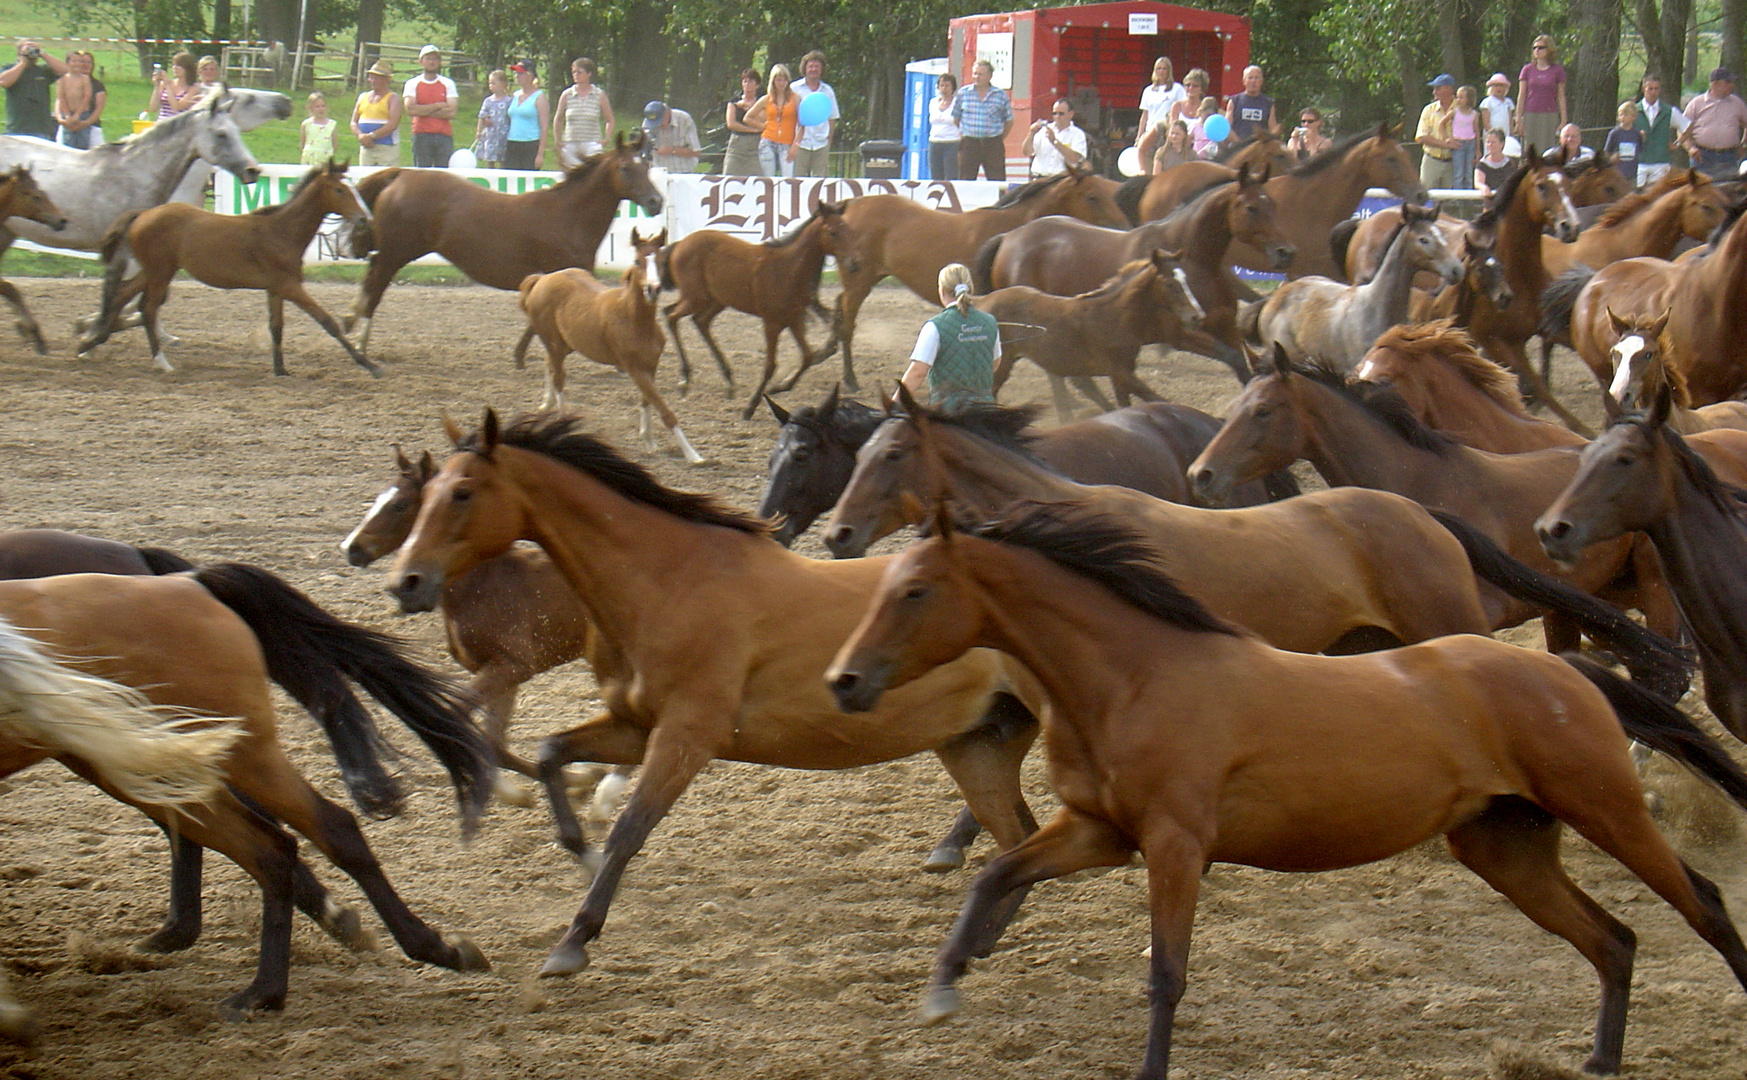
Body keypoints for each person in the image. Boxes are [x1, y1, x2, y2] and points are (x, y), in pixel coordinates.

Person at [900, 263, 1001, 413]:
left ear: (941, 291)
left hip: (948, 411)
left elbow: (917, 373)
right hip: (985, 410)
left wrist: (896, 402)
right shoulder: (990, 322)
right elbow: (994, 364)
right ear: (970, 289)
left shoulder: (934, 326)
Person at [1136, 67, 1211, 172]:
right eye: (1188, 85)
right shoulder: (1177, 106)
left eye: (1195, 86)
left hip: (1198, 153)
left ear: (1202, 89)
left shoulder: (1206, 107)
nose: (1190, 88)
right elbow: (1173, 128)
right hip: (1174, 152)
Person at [1682, 67, 1747, 179]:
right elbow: (1682, 128)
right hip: (1702, 156)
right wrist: (1690, 148)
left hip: (1728, 156)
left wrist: (1744, 144)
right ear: (1715, 84)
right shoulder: (1697, 103)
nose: (1731, 85)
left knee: (1727, 191)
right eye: (1727, 82)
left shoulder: (1737, 103)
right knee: (1701, 192)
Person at [953, 59, 1013, 181]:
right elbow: (956, 117)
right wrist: (965, 133)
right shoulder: (963, 93)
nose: (976, 77)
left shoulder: (1000, 95)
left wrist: (999, 138)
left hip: (992, 144)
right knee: (965, 179)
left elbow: (1009, 121)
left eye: (980, 74)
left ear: (989, 76)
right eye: (975, 73)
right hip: (969, 143)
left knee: (997, 180)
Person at [552, 57, 614, 168]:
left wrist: (606, 139)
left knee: (593, 172)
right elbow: (559, 118)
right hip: (570, 141)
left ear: (589, 74)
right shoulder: (567, 94)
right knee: (572, 174)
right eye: (574, 72)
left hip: (592, 142)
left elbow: (609, 119)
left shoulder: (599, 95)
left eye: (579, 72)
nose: (576, 75)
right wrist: (558, 139)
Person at [404, 45, 458, 168]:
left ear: (439, 62)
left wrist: (422, 110)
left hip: (444, 135)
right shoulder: (412, 83)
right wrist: (438, 105)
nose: (431, 62)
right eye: (428, 59)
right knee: (422, 173)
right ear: (421, 61)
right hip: (421, 134)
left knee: (443, 175)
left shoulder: (448, 84)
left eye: (435, 59)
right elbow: (410, 109)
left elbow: (451, 112)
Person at [1634, 72, 1689, 188]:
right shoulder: (1634, 111)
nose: (1653, 92)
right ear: (1644, 88)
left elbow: (1688, 127)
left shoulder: (1668, 111)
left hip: (1660, 163)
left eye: (1656, 89)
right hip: (1639, 162)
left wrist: (1677, 143)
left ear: (1660, 90)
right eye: (1650, 89)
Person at [1516, 34, 1567, 154]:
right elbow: (1522, 95)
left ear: (1549, 49)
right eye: (1534, 48)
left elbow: (1561, 96)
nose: (1537, 50)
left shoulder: (1557, 70)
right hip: (1530, 113)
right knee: (1530, 150)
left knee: (1549, 149)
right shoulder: (1527, 70)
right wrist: (1518, 119)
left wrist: (1564, 119)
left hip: (1550, 114)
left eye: (1541, 47)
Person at [791, 51, 837, 177]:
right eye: (810, 66)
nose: (813, 69)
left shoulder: (828, 91)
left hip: (820, 143)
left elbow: (832, 118)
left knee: (820, 182)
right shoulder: (794, 88)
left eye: (817, 66)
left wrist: (829, 141)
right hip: (799, 143)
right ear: (805, 69)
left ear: (821, 69)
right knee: (797, 181)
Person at [750, 63, 798, 178]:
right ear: (773, 81)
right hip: (768, 141)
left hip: (787, 143)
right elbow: (748, 117)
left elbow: (802, 124)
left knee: (787, 178)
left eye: (784, 80)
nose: (782, 83)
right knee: (769, 179)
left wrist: (796, 145)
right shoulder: (767, 99)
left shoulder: (795, 98)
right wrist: (762, 126)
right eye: (778, 80)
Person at [351, 59, 403, 166]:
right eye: (371, 77)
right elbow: (353, 122)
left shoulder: (393, 98)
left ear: (386, 79)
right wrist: (361, 136)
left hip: (386, 148)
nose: (372, 80)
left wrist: (372, 136)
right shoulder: (363, 97)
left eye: (376, 78)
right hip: (367, 148)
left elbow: (393, 124)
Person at [53, 49, 104, 149]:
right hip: (67, 115)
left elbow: (87, 97)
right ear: (67, 63)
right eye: (74, 61)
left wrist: (78, 115)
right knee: (67, 145)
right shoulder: (62, 80)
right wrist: (66, 116)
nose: (79, 64)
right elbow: (60, 98)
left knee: (82, 145)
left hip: (83, 116)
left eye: (80, 61)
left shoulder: (86, 80)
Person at [502, 60, 548, 170]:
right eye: (516, 73)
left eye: (521, 74)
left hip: (531, 144)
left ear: (530, 75)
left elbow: (544, 127)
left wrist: (540, 154)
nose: (517, 76)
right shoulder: (515, 95)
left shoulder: (539, 97)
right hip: (513, 142)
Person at [1416, 74, 1458, 190]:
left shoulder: (1461, 108)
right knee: (1425, 195)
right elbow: (1421, 137)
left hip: (1453, 162)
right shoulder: (1428, 110)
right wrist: (1447, 145)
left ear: (1449, 89)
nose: (1434, 92)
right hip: (1431, 161)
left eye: (1438, 88)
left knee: (1450, 199)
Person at [1023, 99, 1086, 176]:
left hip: (1061, 181)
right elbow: (1027, 152)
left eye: (1061, 114)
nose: (1057, 116)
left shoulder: (1078, 134)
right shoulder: (1044, 130)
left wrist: (1054, 141)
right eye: (1054, 113)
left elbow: (1074, 159)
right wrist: (1031, 133)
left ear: (1071, 114)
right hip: (1040, 178)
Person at [722, 67, 764, 177]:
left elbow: (764, 119)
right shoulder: (734, 101)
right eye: (745, 81)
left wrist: (750, 108)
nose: (747, 84)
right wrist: (752, 129)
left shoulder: (762, 101)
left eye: (751, 81)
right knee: (729, 175)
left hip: (756, 146)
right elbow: (731, 124)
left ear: (757, 85)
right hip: (737, 144)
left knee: (757, 178)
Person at [643, 101, 701, 173]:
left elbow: (696, 152)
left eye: (660, 122)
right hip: (658, 172)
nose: (658, 126)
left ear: (667, 114)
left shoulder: (684, 119)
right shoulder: (648, 122)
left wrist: (671, 150)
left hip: (683, 173)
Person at [1224, 65, 1278, 142]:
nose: (1253, 81)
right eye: (1250, 78)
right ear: (1244, 81)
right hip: (1238, 146)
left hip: (1259, 147)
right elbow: (1226, 127)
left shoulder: (1268, 103)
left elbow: (1273, 129)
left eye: (1256, 78)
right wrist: (1238, 142)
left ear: (1261, 81)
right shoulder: (1234, 101)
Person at [1137, 56, 1185, 135]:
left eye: (1164, 69)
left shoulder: (1177, 88)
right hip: (1150, 131)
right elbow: (1145, 115)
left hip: (1169, 131)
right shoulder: (1148, 90)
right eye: (1159, 68)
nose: (1161, 71)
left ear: (1169, 71)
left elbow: (1183, 109)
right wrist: (1139, 136)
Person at [473, 70, 511, 168]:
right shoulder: (488, 101)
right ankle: (490, 171)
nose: (491, 85)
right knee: (490, 157)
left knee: (502, 157)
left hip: (503, 134)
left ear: (503, 84)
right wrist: (479, 131)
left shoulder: (508, 101)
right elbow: (481, 116)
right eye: (490, 83)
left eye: (493, 83)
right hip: (491, 134)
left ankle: (503, 173)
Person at [927, 72, 960, 181]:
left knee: (951, 175)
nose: (944, 88)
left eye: (947, 86)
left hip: (951, 143)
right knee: (936, 176)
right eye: (941, 85)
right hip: (934, 142)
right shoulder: (933, 102)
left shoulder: (957, 103)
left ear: (952, 87)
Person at [150, 51, 201, 120]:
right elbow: (153, 108)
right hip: (162, 125)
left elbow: (176, 107)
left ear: (188, 69)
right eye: (173, 65)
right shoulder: (164, 84)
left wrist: (167, 86)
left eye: (179, 65)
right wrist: (156, 86)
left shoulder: (193, 89)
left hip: (179, 127)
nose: (175, 68)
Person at [1603, 100, 1644, 184]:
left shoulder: (1636, 134)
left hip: (1632, 176)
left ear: (1633, 117)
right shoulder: (1614, 133)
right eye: (1621, 115)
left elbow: (1640, 151)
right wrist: (1611, 160)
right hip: (1616, 176)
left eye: (1625, 115)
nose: (1622, 117)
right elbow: (1607, 153)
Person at [1451, 86, 1480, 189]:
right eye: (1457, 97)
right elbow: (1442, 124)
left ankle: (1469, 199)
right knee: (1458, 174)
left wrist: (1478, 149)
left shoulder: (1474, 114)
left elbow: (1476, 131)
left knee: (1469, 173)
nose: (1458, 100)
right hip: (1459, 144)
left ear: (1469, 99)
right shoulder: (1454, 112)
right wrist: (1449, 138)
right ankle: (1458, 199)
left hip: (1470, 143)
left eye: (1461, 97)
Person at [1474, 128, 1515, 201]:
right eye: (1488, 142)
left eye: (1493, 142)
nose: (1490, 145)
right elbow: (1478, 182)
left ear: (1502, 144)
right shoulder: (1482, 164)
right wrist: (1483, 187)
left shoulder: (1509, 164)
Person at [299, 91, 337, 166]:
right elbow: (302, 144)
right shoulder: (306, 124)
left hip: (325, 159)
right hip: (309, 159)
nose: (321, 109)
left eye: (323, 106)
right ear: (311, 108)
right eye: (317, 106)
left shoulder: (332, 124)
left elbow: (335, 145)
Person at [1479, 72, 1514, 138]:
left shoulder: (1508, 102)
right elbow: (1485, 122)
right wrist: (1492, 134)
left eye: (1502, 86)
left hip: (1506, 134)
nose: (1499, 88)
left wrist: (1511, 134)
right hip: (1491, 136)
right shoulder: (1488, 102)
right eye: (1496, 85)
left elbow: (1510, 121)